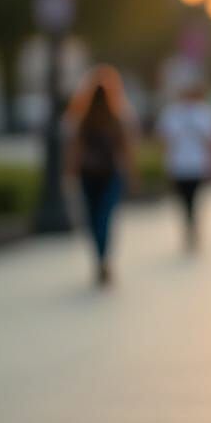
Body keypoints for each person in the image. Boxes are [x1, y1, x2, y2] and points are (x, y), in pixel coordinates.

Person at [64, 65, 140, 287]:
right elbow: (125, 150)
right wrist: (132, 175)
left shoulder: (86, 118)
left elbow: (75, 149)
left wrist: (70, 172)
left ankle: (100, 259)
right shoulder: (113, 118)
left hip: (91, 175)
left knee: (94, 218)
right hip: (107, 174)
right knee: (103, 218)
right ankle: (103, 258)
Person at [154, 78, 211, 253]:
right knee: (188, 201)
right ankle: (191, 227)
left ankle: (191, 227)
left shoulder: (201, 112)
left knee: (191, 200)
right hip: (185, 165)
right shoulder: (178, 113)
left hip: (192, 165)